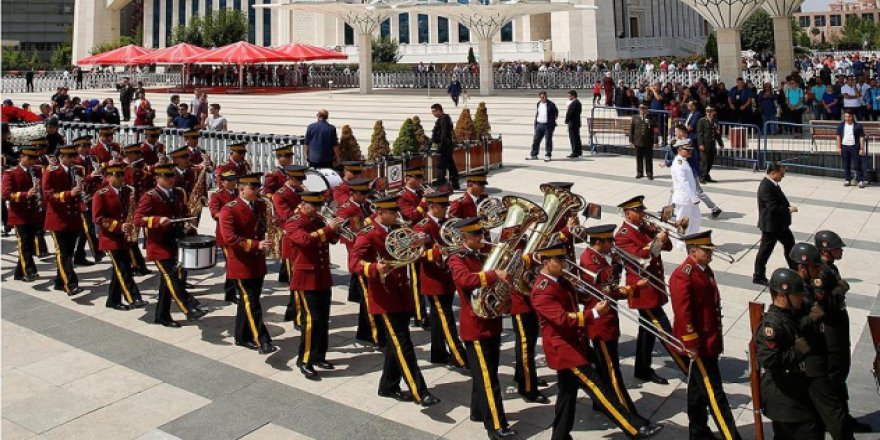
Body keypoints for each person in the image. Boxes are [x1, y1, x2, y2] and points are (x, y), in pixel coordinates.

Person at [530, 241, 663, 440]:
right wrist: (594, 313)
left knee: (567, 395)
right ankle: (634, 428)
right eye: (559, 260)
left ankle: (560, 436)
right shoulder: (542, 290)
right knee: (598, 388)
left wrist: (597, 290)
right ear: (546, 262)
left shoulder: (561, 281)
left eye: (564, 259)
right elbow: (563, 319)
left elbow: (583, 299)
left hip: (575, 344)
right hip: (565, 350)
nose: (564, 264)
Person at [349, 194, 441, 407]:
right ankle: (420, 391)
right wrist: (374, 268)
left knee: (395, 343)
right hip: (384, 297)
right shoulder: (367, 234)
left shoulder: (396, 229)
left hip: (401, 293)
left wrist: (418, 243)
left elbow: (406, 253)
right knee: (403, 345)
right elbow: (354, 263)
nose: (397, 216)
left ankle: (388, 386)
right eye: (393, 213)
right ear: (380, 213)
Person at [447, 217, 516, 439]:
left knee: (487, 373)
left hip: (491, 322)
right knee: (489, 380)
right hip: (475, 327)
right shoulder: (456, 258)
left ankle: (478, 411)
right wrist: (494, 274)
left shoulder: (483, 255)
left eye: (482, 233)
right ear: (464, 237)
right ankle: (496, 426)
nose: (482, 238)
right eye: (476, 235)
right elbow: (465, 280)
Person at [669, 230, 742, 440]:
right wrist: (691, 344)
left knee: (697, 390)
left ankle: (698, 431)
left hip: (709, 339)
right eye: (706, 250)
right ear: (693, 252)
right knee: (714, 393)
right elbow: (683, 313)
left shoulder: (703, 269)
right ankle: (730, 436)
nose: (710, 253)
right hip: (698, 345)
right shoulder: (683, 275)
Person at [615, 196, 689, 384]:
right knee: (664, 331)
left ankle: (642, 369)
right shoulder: (622, 235)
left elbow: (668, 247)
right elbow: (642, 257)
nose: (642, 214)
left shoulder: (644, 228)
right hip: (643, 290)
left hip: (654, 286)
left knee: (647, 331)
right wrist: (657, 239)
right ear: (627, 214)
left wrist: (664, 232)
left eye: (642, 210)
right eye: (638, 211)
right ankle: (689, 369)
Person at [578, 224, 646, 415]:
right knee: (611, 369)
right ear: (599, 242)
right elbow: (608, 290)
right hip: (600, 323)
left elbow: (611, 281)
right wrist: (634, 287)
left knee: (604, 367)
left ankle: (601, 402)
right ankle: (627, 412)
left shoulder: (599, 257)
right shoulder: (591, 261)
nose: (612, 245)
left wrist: (617, 264)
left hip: (608, 319)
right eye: (609, 241)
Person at [788, 243, 853, 440]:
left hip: (818, 352)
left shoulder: (805, 285)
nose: (818, 270)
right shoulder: (793, 290)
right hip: (810, 361)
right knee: (831, 410)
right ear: (802, 267)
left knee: (822, 412)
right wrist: (813, 316)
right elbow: (792, 324)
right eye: (814, 267)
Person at [133, 164, 208, 327]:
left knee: (167, 283)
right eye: (166, 177)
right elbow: (137, 219)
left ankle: (162, 315)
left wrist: (189, 221)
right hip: (159, 245)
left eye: (172, 176)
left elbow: (183, 212)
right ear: (157, 179)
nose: (171, 179)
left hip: (174, 242)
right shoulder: (150, 196)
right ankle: (190, 307)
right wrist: (157, 220)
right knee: (171, 277)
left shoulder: (178, 193)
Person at [814, 231, 873, 433]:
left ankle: (842, 416)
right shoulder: (820, 273)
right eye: (837, 248)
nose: (841, 251)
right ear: (826, 250)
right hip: (830, 332)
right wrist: (839, 290)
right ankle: (835, 420)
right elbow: (821, 305)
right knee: (834, 377)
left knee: (840, 375)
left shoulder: (830, 267)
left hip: (838, 329)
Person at [755, 268, 825, 440]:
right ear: (781, 295)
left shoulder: (791, 314)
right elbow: (771, 360)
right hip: (786, 401)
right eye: (796, 294)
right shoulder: (771, 326)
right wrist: (798, 349)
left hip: (800, 394)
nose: (801, 297)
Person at [219, 173, 278, 355]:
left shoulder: (260, 205)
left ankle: (241, 336)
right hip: (241, 263)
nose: (257, 191)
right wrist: (255, 244)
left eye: (258, 187)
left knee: (249, 301)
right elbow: (229, 237)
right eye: (253, 188)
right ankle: (263, 340)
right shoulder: (229, 209)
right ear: (241, 189)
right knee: (252, 302)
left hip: (257, 262)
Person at [286, 191, 343, 378]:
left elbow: (331, 240)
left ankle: (319, 355)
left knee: (323, 319)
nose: (318, 209)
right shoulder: (294, 221)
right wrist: (327, 229)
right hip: (306, 278)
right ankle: (305, 359)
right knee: (311, 320)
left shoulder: (318, 220)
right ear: (304, 204)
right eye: (315, 206)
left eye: (319, 206)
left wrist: (336, 229)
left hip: (322, 275)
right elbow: (305, 240)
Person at [92, 163, 147, 311]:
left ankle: (113, 300)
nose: (122, 178)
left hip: (125, 237)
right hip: (110, 238)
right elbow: (98, 218)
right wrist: (118, 226)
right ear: (109, 177)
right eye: (118, 175)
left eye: (123, 175)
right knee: (124, 268)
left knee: (118, 270)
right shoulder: (101, 194)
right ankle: (134, 298)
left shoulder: (127, 191)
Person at [335, 178, 382, 348]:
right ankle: (374, 334)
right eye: (362, 193)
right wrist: (375, 217)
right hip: (361, 258)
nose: (365, 196)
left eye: (366, 193)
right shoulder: (345, 209)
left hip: (373, 255)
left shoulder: (367, 205)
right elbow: (353, 229)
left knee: (369, 297)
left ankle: (364, 332)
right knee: (369, 299)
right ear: (353, 193)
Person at [42, 145, 85, 296]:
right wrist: (69, 194)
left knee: (69, 252)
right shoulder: (52, 171)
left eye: (74, 156)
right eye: (69, 157)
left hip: (73, 217)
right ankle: (70, 284)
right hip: (58, 218)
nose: (73, 159)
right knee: (63, 253)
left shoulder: (76, 170)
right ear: (61, 157)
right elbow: (48, 195)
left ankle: (59, 281)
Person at [1, 146, 43, 282]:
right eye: (29, 158)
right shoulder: (11, 173)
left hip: (33, 213)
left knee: (29, 244)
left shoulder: (36, 171)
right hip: (19, 215)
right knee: (24, 243)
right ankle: (29, 271)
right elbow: (6, 194)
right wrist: (26, 195)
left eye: (34, 159)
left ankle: (19, 273)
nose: (32, 161)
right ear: (21, 157)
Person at [753, 162, 797, 285]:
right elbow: (772, 207)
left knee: (790, 245)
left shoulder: (773, 184)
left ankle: (795, 269)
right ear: (773, 173)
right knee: (765, 251)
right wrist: (788, 209)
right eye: (781, 175)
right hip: (771, 226)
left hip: (780, 225)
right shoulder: (766, 186)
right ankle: (758, 276)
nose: (782, 177)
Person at [272, 165, 307, 321]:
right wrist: (303, 206)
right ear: (289, 178)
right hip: (291, 239)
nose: (301, 182)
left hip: (304, 237)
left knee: (302, 279)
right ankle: (297, 315)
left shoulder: (301, 191)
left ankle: (294, 311)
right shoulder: (280, 195)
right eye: (298, 180)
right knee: (295, 280)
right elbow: (287, 216)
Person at [208, 171, 240, 304]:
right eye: (230, 180)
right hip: (225, 235)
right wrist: (230, 216)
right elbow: (214, 213)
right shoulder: (217, 195)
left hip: (239, 233)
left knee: (237, 262)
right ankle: (231, 292)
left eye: (234, 179)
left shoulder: (239, 192)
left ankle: (233, 290)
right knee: (232, 263)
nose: (233, 182)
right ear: (223, 182)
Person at [670, 140, 702, 238]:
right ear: (679, 149)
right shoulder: (678, 163)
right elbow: (683, 183)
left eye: (690, 150)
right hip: (684, 198)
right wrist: (694, 198)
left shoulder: (683, 161)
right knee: (683, 223)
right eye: (687, 150)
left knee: (696, 219)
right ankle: (681, 242)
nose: (690, 152)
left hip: (689, 199)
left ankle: (692, 239)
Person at [430, 103, 459, 190]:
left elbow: (444, 134)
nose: (433, 113)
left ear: (438, 110)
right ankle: (455, 183)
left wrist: (440, 147)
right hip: (446, 146)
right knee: (450, 165)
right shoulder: (443, 119)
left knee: (440, 166)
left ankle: (441, 184)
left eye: (434, 111)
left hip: (444, 147)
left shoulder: (444, 119)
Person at [835, 110, 867, 188]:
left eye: (849, 117)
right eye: (846, 117)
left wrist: (862, 148)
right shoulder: (841, 125)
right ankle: (847, 179)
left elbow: (861, 137)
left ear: (852, 116)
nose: (847, 118)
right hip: (844, 146)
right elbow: (838, 137)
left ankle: (860, 180)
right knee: (846, 164)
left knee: (857, 164)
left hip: (854, 146)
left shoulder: (858, 126)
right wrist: (838, 147)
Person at [527, 91, 558, 162]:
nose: (543, 98)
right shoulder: (538, 104)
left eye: (544, 97)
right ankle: (534, 154)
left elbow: (556, 113)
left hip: (548, 125)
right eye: (542, 97)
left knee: (548, 140)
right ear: (539, 97)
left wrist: (552, 121)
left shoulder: (551, 104)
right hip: (539, 124)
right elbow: (538, 113)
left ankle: (548, 155)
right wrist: (536, 124)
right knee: (536, 140)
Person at [629, 104, 657, 180]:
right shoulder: (635, 117)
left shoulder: (652, 118)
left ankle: (649, 173)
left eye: (644, 108)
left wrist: (655, 141)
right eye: (641, 109)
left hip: (648, 141)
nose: (642, 110)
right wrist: (631, 140)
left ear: (647, 109)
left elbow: (655, 131)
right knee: (639, 157)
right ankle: (639, 172)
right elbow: (631, 130)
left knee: (648, 158)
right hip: (638, 141)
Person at [696, 107, 722, 183]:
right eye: (707, 111)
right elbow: (700, 133)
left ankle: (707, 175)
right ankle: (702, 177)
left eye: (711, 111)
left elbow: (717, 134)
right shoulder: (702, 121)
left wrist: (720, 143)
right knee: (704, 161)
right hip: (705, 144)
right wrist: (700, 144)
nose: (709, 113)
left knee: (710, 160)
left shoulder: (715, 121)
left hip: (712, 144)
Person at [565, 90, 583, 158]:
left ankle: (575, 152)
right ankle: (579, 151)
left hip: (573, 123)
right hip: (576, 122)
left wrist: (566, 120)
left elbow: (570, 113)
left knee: (573, 138)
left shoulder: (574, 103)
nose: (568, 97)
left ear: (573, 96)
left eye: (570, 96)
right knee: (576, 137)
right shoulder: (577, 102)